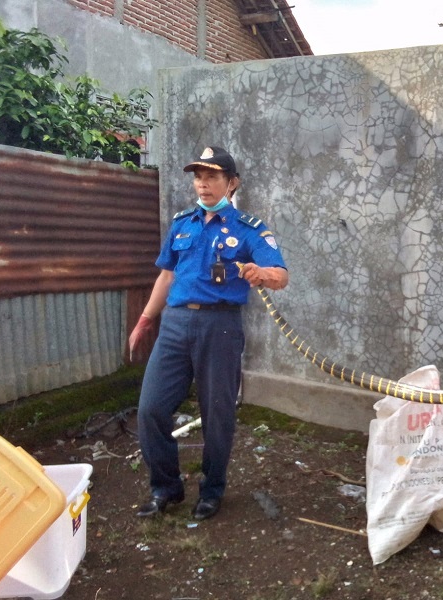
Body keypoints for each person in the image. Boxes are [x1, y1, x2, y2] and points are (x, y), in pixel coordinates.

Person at [129, 146, 288, 521]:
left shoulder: (249, 229)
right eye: (198, 176)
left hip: (220, 327)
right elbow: (167, 275)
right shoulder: (182, 224)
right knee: (151, 409)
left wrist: (259, 273)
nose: (203, 183)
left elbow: (281, 276)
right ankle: (165, 488)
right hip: (175, 325)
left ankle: (211, 490)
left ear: (231, 183)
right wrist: (145, 320)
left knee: (217, 414)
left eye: (212, 176)